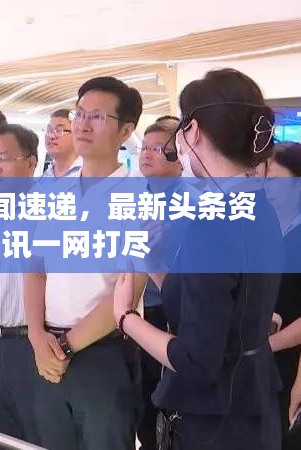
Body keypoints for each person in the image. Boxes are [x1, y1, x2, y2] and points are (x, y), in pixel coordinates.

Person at [113, 68, 283, 450]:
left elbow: (195, 362)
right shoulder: (256, 206)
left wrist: (125, 318)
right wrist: (151, 259)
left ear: (192, 131)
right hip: (250, 404)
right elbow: (206, 301)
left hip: (217, 423)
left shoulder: (213, 223)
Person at [25, 76, 148, 450]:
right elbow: (35, 268)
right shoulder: (53, 190)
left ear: (125, 130)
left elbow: (127, 291)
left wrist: (65, 347)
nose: (82, 124)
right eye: (79, 114)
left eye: (97, 117)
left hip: (104, 352)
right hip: (47, 347)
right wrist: (36, 336)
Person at [0, 124, 41, 444]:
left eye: (3, 159)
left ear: (31, 162)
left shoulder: (49, 211)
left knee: (34, 434)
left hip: (29, 343)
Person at [137, 118, 181, 450]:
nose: (147, 154)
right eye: (144, 148)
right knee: (137, 396)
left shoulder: (192, 203)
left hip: (165, 311)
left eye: (157, 148)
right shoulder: (130, 197)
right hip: (129, 310)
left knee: (159, 397)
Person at [266, 142, 301, 449]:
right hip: (261, 367)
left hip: (290, 365)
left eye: (274, 180)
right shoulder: (266, 231)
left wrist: (266, 345)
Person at [42, 109, 81, 177]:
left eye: (59, 130)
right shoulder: (45, 176)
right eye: (49, 130)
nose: (51, 136)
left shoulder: (89, 173)